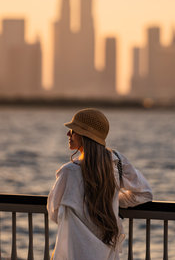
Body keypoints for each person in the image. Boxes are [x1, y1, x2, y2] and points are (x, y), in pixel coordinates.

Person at [47, 108, 153, 260]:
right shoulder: (116, 162)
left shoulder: (68, 172)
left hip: (76, 250)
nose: (68, 134)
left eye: (73, 130)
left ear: (84, 136)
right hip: (107, 249)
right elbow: (145, 194)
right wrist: (110, 200)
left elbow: (54, 211)